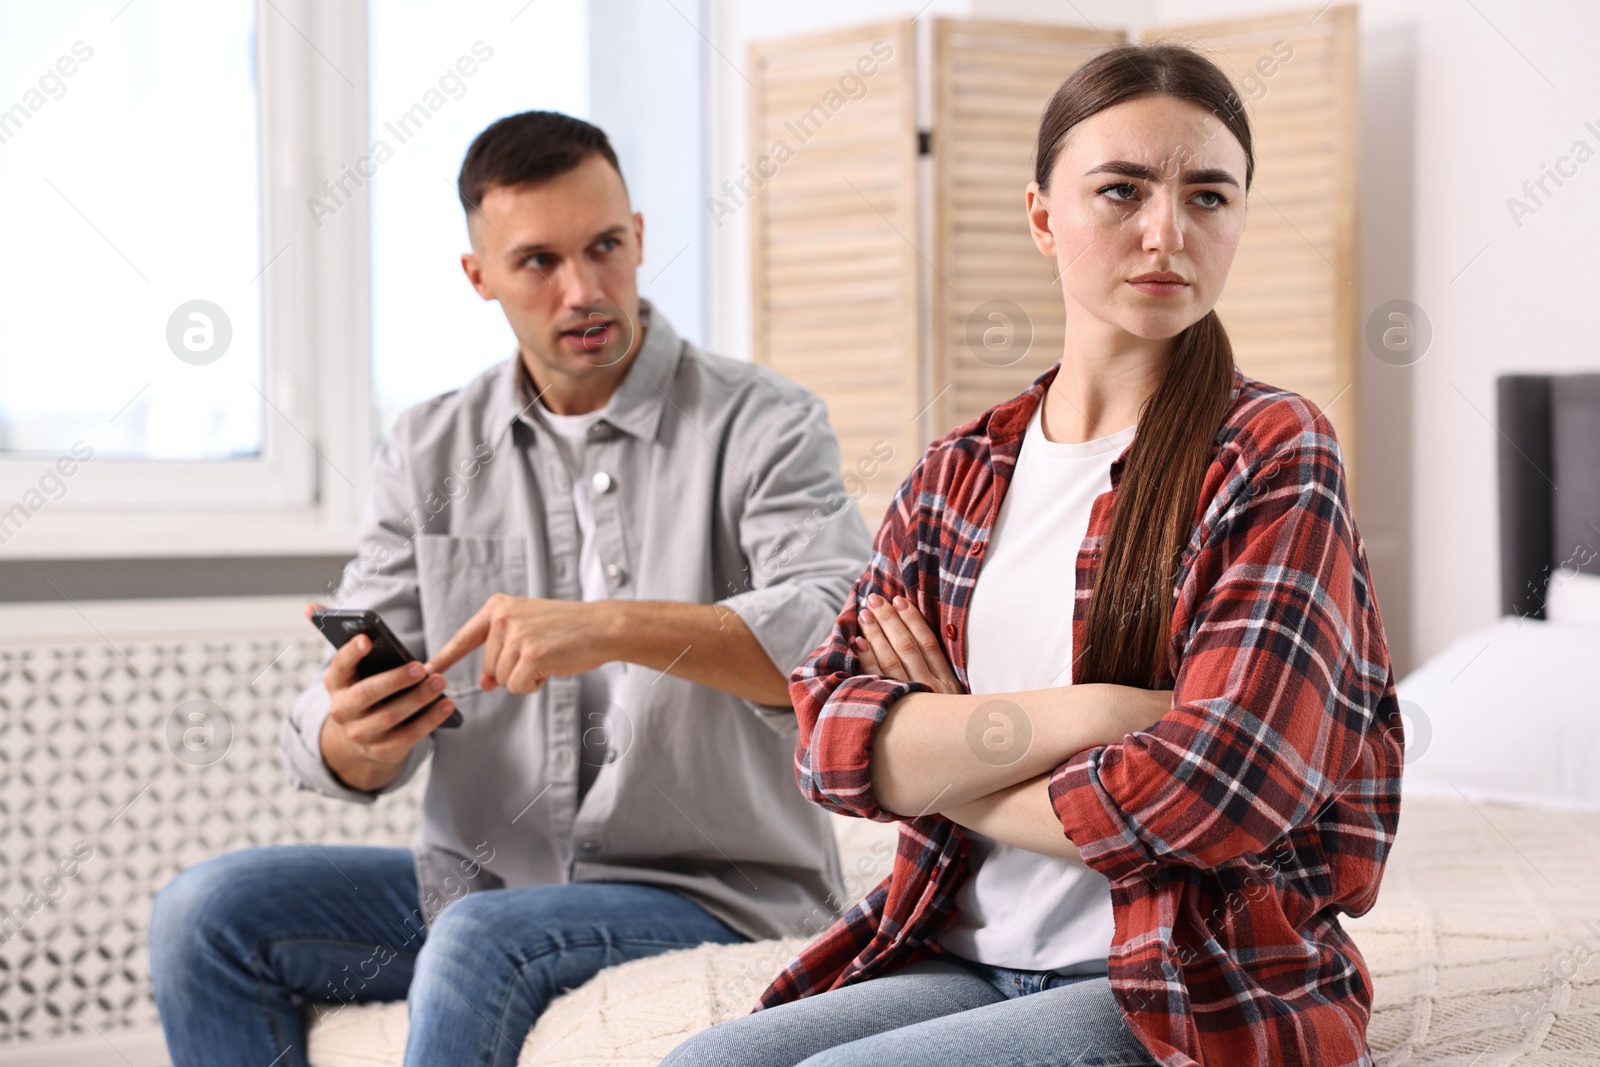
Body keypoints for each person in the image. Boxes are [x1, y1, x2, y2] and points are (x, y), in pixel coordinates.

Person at [663, 44, 1403, 1067]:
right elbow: (826, 734)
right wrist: (1093, 713)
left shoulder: (1275, 452)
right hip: (954, 948)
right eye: (1121, 190)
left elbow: (1214, 788)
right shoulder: (958, 471)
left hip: (1178, 978)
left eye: (1206, 196)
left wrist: (940, 759)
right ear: (1041, 215)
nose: (1165, 231)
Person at [148, 111, 874, 1067]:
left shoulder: (766, 422)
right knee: (206, 912)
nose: (585, 290)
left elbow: (835, 633)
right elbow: (354, 735)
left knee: (481, 939)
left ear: (640, 237)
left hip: (713, 888)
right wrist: (351, 737)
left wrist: (612, 626)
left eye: (606, 247)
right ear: (478, 276)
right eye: (538, 261)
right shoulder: (427, 446)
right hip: (478, 878)